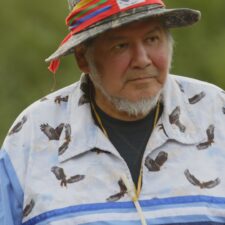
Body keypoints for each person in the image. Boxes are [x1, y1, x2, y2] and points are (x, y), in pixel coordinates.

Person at [1, 0, 225, 224]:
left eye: (152, 39)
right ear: (83, 58)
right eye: (121, 46)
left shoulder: (216, 111)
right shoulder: (30, 136)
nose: (142, 60)